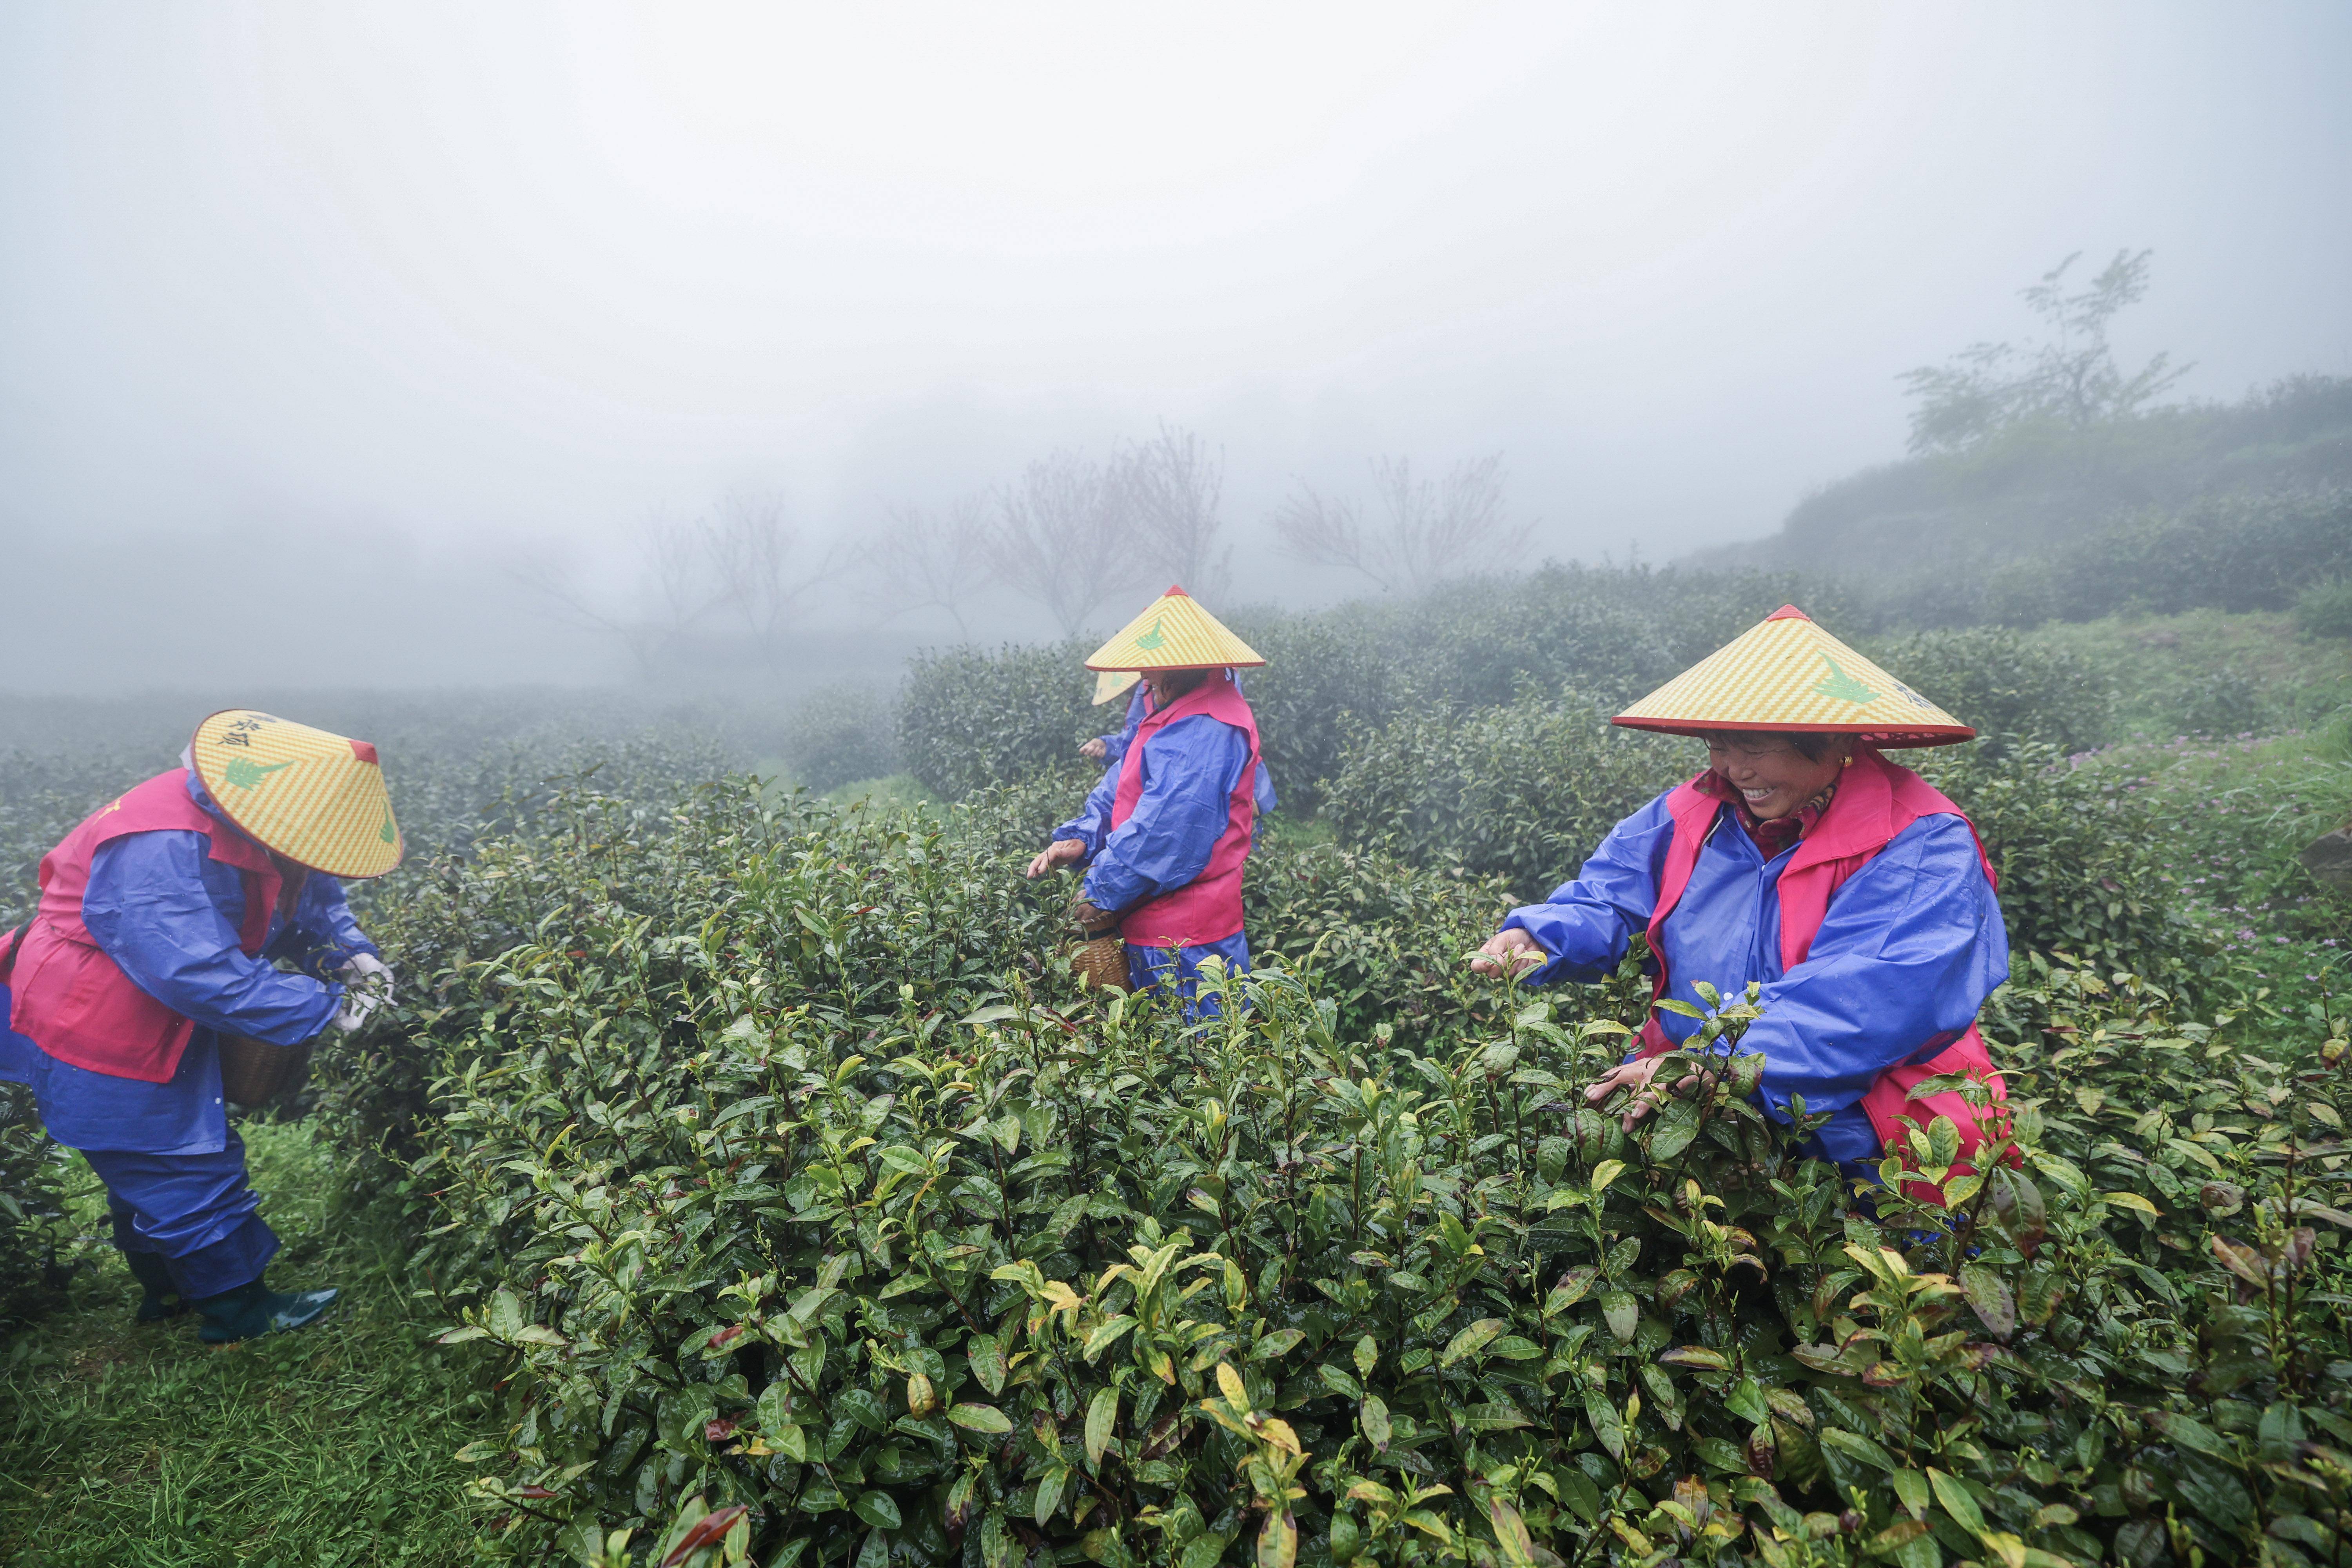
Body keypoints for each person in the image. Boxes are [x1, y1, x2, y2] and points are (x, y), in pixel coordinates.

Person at [1471, 606, 2010, 1196]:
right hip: (1701, 1115)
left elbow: (1872, 995)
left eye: (1753, 745)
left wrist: (1719, 1059)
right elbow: (1616, 898)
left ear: (1831, 739)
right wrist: (1544, 935)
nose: (1733, 767)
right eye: (1718, 743)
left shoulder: (1921, 840)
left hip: (1878, 1143)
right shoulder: (1691, 815)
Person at [0, 710, 403, 1341]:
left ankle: (167, 1292)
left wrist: (350, 953)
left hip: (148, 1001)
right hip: (101, 1013)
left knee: (144, 1165)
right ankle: (236, 1309)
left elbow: (308, 894)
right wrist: (321, 1006)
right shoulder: (159, 843)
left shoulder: (271, 821)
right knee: (175, 1161)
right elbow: (194, 971)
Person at [1027, 586, 1266, 1009]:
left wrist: (1098, 890)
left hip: (1190, 942)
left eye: (1153, 668)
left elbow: (1166, 832)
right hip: (1151, 927)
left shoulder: (1207, 727)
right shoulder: (1172, 710)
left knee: (1201, 1058)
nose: (1143, 678)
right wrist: (1085, 836)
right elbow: (1123, 785)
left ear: (1184, 666)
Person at [1081, 667, 1278, 813]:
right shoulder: (1150, 690)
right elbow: (1138, 735)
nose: (1143, 677)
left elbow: (1224, 740)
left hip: (1232, 785)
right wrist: (1108, 746)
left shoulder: (1216, 681)